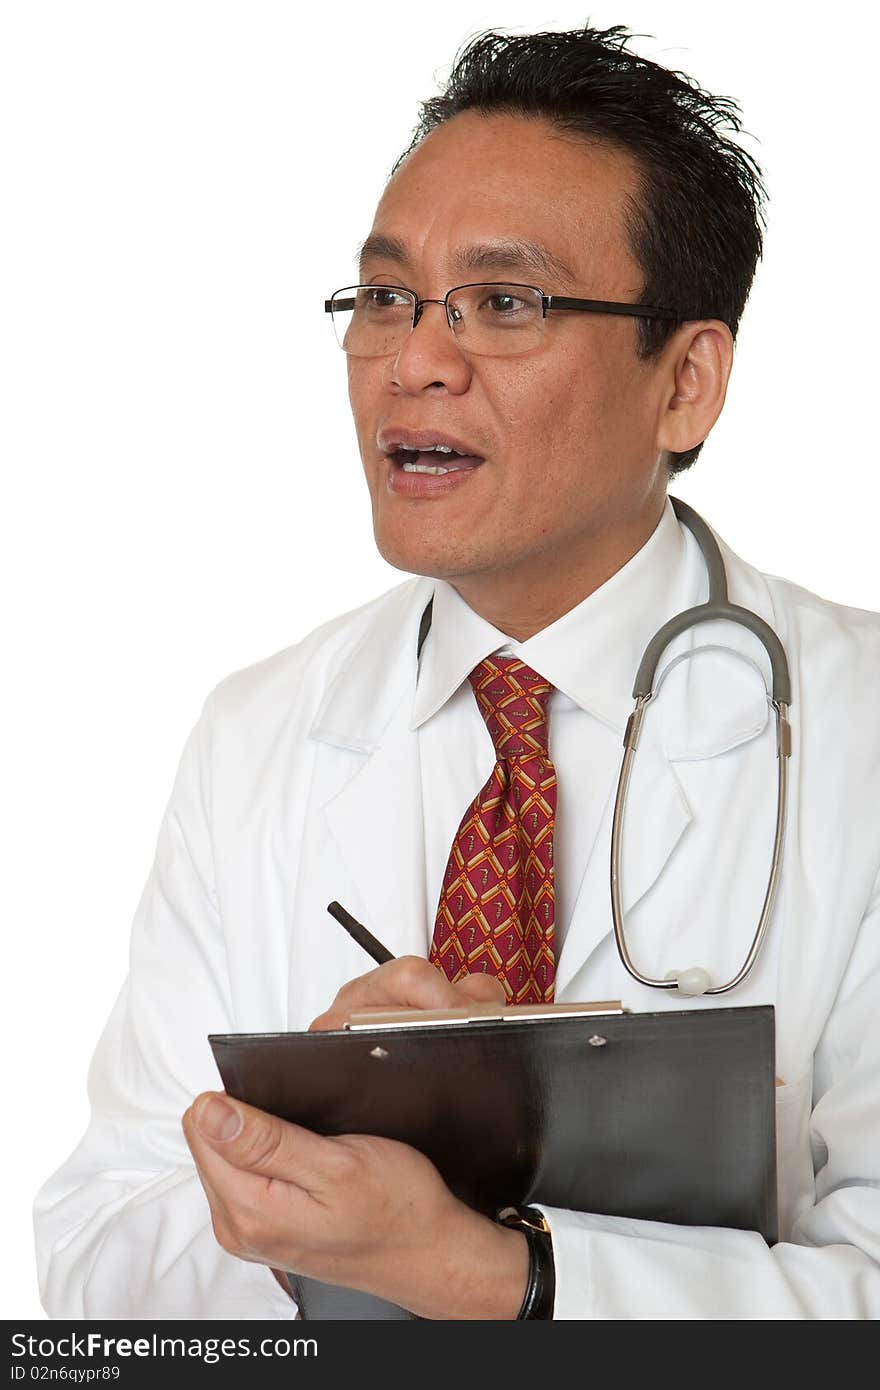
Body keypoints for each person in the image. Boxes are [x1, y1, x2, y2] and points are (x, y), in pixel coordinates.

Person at [34, 23, 880, 1320]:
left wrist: (504, 1279)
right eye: (385, 297)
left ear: (688, 383)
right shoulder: (257, 734)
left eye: (508, 301)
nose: (416, 361)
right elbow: (95, 1270)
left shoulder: (860, 729)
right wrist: (290, 1169)